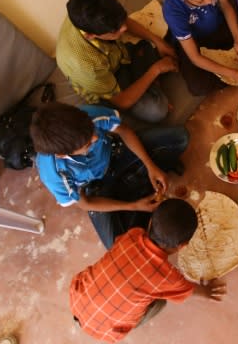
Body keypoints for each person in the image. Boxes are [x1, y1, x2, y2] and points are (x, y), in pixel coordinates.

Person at [30, 102, 189, 249]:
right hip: (96, 188)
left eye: (92, 131)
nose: (96, 137)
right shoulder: (54, 175)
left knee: (180, 138)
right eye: (88, 144)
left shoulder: (88, 116)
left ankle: (146, 177)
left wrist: (150, 165)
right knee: (118, 245)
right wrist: (133, 206)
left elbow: (124, 131)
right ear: (62, 155)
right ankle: (135, 195)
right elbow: (86, 203)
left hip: (117, 155)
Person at [70, 198, 227, 343]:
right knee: (159, 303)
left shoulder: (133, 234)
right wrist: (208, 291)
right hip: (110, 332)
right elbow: (188, 291)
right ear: (183, 246)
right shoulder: (168, 278)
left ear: (150, 222)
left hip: (77, 299)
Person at [56, 0, 178, 124]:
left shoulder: (88, 10)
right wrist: (156, 70)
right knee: (156, 110)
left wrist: (156, 40)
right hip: (110, 83)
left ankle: (147, 81)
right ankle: (150, 82)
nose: (125, 28)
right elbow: (122, 102)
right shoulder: (87, 66)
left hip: (119, 56)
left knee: (158, 46)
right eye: (115, 30)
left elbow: (123, 22)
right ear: (90, 35)